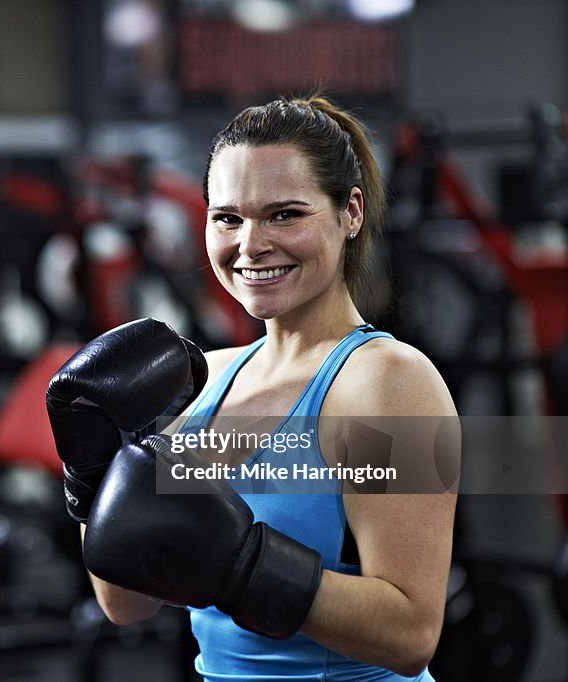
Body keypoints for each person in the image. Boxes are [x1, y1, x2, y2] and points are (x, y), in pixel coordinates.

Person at [47, 95, 460, 681]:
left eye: (285, 214)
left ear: (351, 214)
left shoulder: (387, 383)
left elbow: (411, 633)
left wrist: (244, 567)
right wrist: (92, 472)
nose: (250, 244)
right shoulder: (203, 380)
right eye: (228, 217)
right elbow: (127, 603)